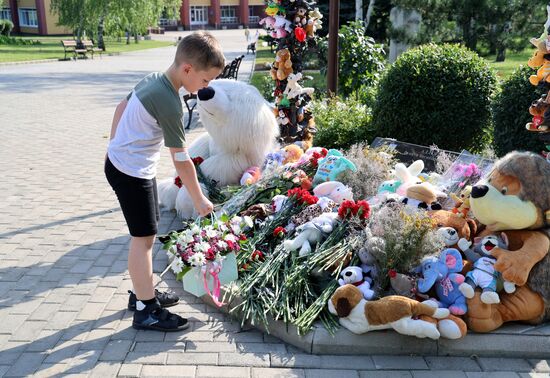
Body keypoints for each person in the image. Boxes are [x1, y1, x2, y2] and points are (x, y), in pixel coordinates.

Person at [105, 31, 225, 332]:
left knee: (146, 233)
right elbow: (181, 160)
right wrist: (199, 199)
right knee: (143, 239)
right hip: (130, 171)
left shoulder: (153, 79)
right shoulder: (170, 102)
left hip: (125, 165)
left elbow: (121, 106)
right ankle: (146, 310)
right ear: (188, 70)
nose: (206, 87)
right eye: (206, 80)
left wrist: (114, 145)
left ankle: (142, 292)